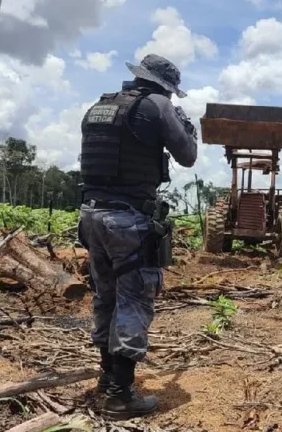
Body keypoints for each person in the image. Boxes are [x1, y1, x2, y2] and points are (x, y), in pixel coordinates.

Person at [77, 54, 198, 420]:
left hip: (91, 215)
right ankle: (120, 395)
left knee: (106, 297)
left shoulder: (100, 106)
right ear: (165, 86)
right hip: (127, 221)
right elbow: (188, 156)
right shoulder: (158, 106)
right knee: (134, 300)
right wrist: (188, 128)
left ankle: (106, 376)